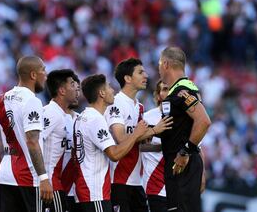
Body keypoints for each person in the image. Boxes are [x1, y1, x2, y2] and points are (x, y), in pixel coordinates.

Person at [73, 74, 172, 212]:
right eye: (108, 87)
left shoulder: (82, 117)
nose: (112, 90)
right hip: (94, 192)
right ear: (101, 93)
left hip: (89, 190)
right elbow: (114, 153)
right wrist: (141, 132)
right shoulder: (95, 119)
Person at [0, 56, 53, 212]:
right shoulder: (32, 101)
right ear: (33, 75)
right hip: (29, 178)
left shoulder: (0, 100)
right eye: (43, 70)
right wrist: (43, 178)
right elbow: (32, 142)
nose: (46, 74)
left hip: (5, 176)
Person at [158, 46, 211, 212]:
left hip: (183, 163)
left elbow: (203, 121)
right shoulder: (178, 90)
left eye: (159, 64)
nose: (158, 68)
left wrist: (184, 152)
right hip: (179, 164)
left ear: (165, 64)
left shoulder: (183, 91)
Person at [104, 58, 157, 212]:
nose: (146, 76)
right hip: (119, 181)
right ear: (127, 78)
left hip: (137, 182)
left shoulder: (140, 107)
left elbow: (139, 144)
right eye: (140, 72)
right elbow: (121, 139)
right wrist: (152, 131)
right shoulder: (116, 102)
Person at [40, 69, 78, 212]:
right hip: (49, 184)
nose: (76, 88)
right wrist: (43, 179)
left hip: (59, 184)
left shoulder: (65, 116)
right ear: (62, 90)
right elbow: (33, 143)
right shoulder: (51, 113)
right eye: (72, 84)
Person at [140, 80, 169, 212]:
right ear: (157, 96)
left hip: (177, 184)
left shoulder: (185, 117)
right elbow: (137, 147)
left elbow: (197, 147)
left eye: (170, 89)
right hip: (154, 183)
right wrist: (160, 147)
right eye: (164, 89)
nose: (168, 93)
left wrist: (202, 175)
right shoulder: (147, 117)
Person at [61, 75, 81, 212]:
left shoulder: (83, 120)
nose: (77, 93)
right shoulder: (48, 115)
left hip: (79, 190)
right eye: (74, 88)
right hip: (57, 187)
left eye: (78, 89)